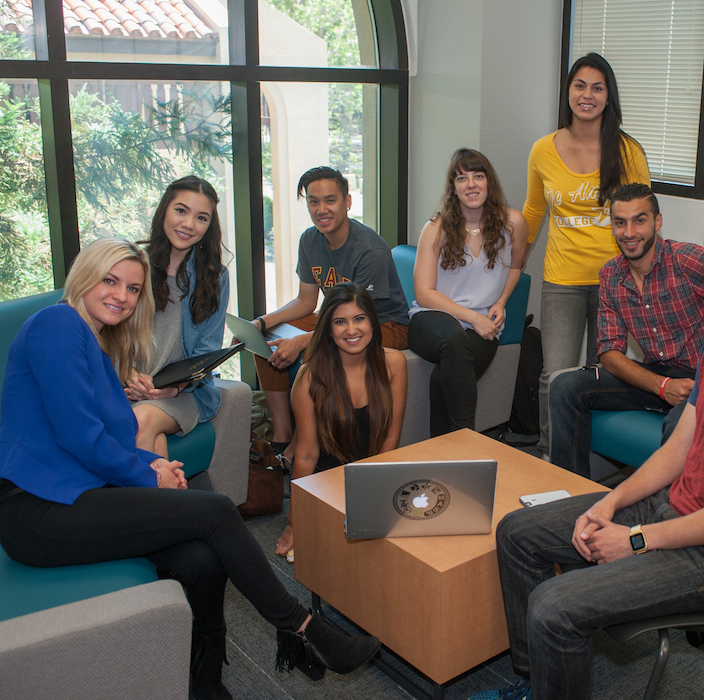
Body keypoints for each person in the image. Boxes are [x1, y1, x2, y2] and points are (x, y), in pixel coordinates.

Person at [473, 202, 704, 700]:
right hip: (671, 508)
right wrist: (611, 501)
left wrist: (636, 540)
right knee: (517, 532)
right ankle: (537, 683)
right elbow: (676, 452)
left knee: (554, 607)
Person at [0, 239, 380, 700]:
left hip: (79, 495)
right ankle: (304, 629)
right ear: (84, 275)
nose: (122, 295)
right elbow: (79, 437)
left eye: (134, 288)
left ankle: (206, 683)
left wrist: (156, 463)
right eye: (110, 280)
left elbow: (113, 439)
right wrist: (149, 476)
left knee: (201, 558)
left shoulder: (97, 346)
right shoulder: (57, 324)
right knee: (217, 511)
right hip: (36, 510)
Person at [548, 183, 704, 477]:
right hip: (656, 375)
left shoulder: (687, 260)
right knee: (564, 386)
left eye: (639, 220)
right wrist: (660, 386)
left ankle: (669, 513)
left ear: (657, 222)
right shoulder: (611, 274)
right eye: (620, 223)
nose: (629, 232)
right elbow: (608, 351)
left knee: (680, 422)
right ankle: (568, 492)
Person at [522, 52, 651, 458]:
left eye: (598, 87)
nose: (588, 95)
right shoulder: (543, 150)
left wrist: (643, 277)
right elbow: (532, 213)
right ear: (568, 92)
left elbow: (642, 216)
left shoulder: (628, 151)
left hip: (614, 280)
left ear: (609, 97)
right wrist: (511, 267)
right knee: (554, 374)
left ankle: (591, 458)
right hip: (561, 278)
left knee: (600, 375)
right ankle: (549, 456)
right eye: (580, 86)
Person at [253, 166, 410, 460]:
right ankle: (283, 433)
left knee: (316, 348)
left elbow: (360, 321)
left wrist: (303, 341)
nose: (321, 209)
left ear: (347, 201)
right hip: (336, 319)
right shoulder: (309, 240)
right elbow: (305, 301)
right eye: (313, 201)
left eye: (330, 200)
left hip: (384, 323)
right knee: (266, 338)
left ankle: (299, 444)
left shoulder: (369, 250)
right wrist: (261, 322)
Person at [275, 282, 407, 557]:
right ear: (328, 328)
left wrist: (373, 491)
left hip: (372, 478)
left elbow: (390, 437)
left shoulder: (394, 363)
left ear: (372, 321)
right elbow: (307, 455)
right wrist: (292, 522)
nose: (351, 330)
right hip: (327, 483)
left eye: (359, 319)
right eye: (340, 322)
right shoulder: (310, 376)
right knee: (339, 557)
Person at [408, 148, 527, 437]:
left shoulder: (514, 223)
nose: (471, 184)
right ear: (454, 188)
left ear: (489, 182)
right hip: (432, 318)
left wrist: (500, 301)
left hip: (485, 327)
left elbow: (516, 267)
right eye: (462, 178)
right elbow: (424, 293)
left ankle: (440, 453)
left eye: (478, 176)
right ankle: (466, 441)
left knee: (442, 379)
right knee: (453, 341)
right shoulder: (435, 229)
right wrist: (473, 317)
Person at [125, 176, 229, 457]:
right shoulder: (134, 266)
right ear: (164, 211)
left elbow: (207, 351)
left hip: (185, 394)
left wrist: (176, 388)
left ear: (209, 226)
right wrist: (129, 376)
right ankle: (172, 501)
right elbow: (109, 337)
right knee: (153, 441)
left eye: (201, 218)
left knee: (142, 420)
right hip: (130, 388)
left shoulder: (215, 277)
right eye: (181, 211)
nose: (188, 224)